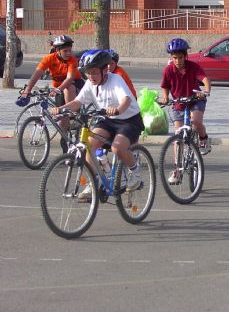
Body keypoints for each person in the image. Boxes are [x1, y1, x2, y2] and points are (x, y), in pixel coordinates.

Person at [52, 50, 145, 199]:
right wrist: (61, 109)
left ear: (105, 70)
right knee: (89, 143)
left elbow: (126, 100)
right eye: (88, 73)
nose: (91, 76)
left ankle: (135, 172)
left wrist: (117, 110)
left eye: (94, 73)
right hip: (107, 120)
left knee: (117, 147)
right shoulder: (90, 83)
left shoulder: (116, 80)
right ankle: (92, 182)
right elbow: (78, 102)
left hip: (128, 120)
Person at [17, 35, 84, 151]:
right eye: (65, 51)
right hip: (58, 89)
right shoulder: (49, 59)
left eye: (70, 50)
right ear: (57, 50)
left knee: (69, 88)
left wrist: (58, 89)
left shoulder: (72, 60)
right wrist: (27, 90)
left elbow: (69, 79)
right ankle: (66, 146)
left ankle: (72, 113)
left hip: (75, 85)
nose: (69, 53)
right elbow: (37, 74)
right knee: (63, 122)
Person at [159, 38, 212, 160]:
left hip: (195, 100)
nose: (178, 61)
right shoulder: (168, 70)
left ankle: (203, 139)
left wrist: (205, 91)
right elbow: (165, 86)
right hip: (179, 104)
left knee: (196, 122)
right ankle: (177, 167)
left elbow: (205, 79)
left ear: (185, 56)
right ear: (171, 58)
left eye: (180, 57)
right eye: (175, 58)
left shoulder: (193, 67)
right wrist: (166, 97)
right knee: (178, 137)